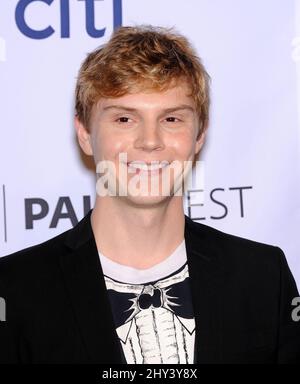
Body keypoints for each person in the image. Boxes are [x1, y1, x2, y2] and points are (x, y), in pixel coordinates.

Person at [0, 25, 299, 364]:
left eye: (171, 118)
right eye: (125, 119)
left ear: (199, 134)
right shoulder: (15, 291)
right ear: (84, 133)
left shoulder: (262, 276)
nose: (150, 140)